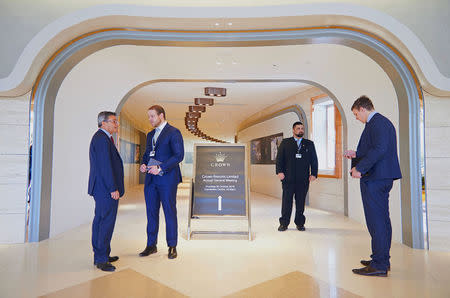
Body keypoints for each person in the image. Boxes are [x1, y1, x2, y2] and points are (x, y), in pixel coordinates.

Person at [344, 95, 402, 277]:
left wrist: (359, 168)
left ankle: (379, 264)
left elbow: (380, 149)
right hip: (380, 177)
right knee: (382, 220)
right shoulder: (379, 123)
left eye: (355, 114)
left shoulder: (377, 122)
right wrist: (356, 154)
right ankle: (381, 258)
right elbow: (375, 148)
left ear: (362, 108)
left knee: (377, 221)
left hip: (376, 179)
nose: (356, 118)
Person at [139, 105, 184, 259]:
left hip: (167, 179)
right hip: (151, 180)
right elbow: (147, 154)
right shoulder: (150, 134)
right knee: (151, 212)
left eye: (152, 116)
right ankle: (151, 245)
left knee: (169, 212)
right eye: (149, 116)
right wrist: (144, 164)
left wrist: (161, 167)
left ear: (161, 116)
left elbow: (179, 156)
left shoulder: (174, 132)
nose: (150, 119)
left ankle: (172, 246)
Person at [88, 111, 124, 272]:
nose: (116, 124)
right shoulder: (102, 139)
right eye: (113, 121)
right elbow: (105, 166)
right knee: (105, 223)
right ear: (103, 123)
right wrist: (112, 188)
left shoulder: (103, 138)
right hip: (105, 189)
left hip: (102, 188)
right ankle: (101, 259)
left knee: (101, 221)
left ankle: (101, 254)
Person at [276, 121, 318, 231]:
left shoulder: (309, 144)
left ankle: (300, 223)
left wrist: (314, 173)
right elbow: (279, 159)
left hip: (303, 179)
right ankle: (284, 223)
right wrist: (279, 171)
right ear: (293, 130)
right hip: (288, 179)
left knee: (300, 202)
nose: (301, 130)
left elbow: (314, 160)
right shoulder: (285, 143)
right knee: (286, 202)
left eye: (302, 128)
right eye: (298, 128)